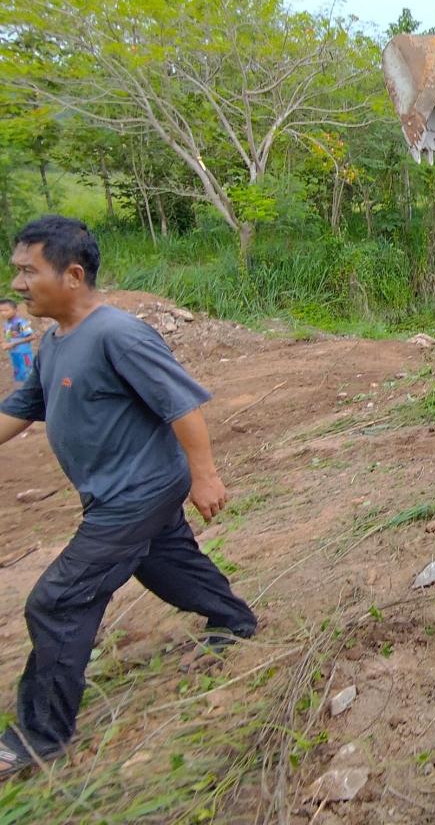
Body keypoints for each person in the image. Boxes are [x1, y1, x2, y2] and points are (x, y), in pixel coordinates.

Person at [0, 216, 257, 779]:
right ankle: (234, 619)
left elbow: (181, 404)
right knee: (165, 561)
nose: (18, 284)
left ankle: (39, 736)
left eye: (27, 271)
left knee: (58, 600)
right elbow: (21, 407)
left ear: (71, 275)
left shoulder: (119, 333)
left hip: (135, 493)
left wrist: (205, 475)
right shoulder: (54, 341)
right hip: (117, 495)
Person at [0, 298, 35, 385]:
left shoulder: (22, 323)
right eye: (1, 310)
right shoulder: (6, 324)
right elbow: (9, 338)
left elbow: (31, 337)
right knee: (20, 376)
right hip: (14, 354)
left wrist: (12, 344)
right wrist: (5, 343)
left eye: (6, 310)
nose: (3, 313)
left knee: (28, 374)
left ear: (15, 310)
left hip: (24, 354)